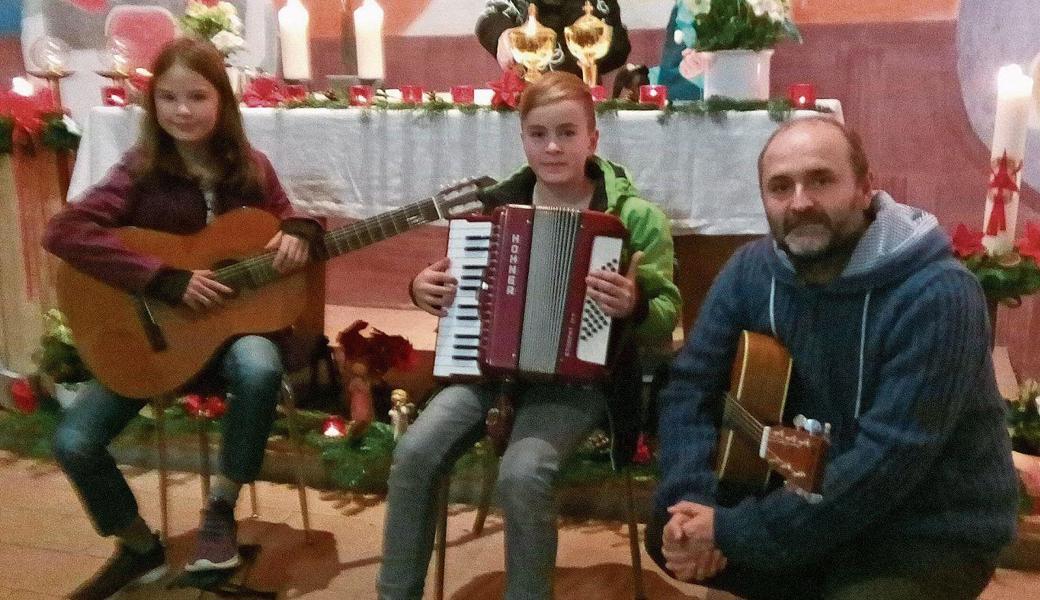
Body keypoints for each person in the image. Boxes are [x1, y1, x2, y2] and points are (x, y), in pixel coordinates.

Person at [647, 116, 1019, 600]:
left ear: (865, 188)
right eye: (780, 187)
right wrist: (693, 502)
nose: (800, 202)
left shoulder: (939, 294)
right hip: (796, 498)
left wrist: (733, 532)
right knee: (669, 529)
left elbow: (887, 462)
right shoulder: (751, 272)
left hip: (922, 527)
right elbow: (690, 388)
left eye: (821, 180)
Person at [377, 71, 680, 600]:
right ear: (522, 139)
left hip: (583, 381)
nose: (553, 146)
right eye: (538, 134)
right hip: (487, 369)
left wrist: (632, 306)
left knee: (522, 474)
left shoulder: (634, 218)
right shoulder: (495, 209)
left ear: (593, 138)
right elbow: (452, 283)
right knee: (415, 453)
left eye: (567, 132)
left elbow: (667, 311)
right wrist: (423, 287)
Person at [43, 37, 320, 600]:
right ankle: (137, 543)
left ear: (222, 102)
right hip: (157, 341)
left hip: (234, 334)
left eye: (197, 96)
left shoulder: (252, 168)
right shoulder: (138, 172)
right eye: (169, 98)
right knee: (73, 440)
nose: (184, 111)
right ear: (153, 106)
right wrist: (164, 279)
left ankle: (220, 510)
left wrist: (301, 229)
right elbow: (63, 231)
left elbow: (286, 217)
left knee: (261, 367)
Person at [476, 0, 631, 81]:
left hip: (581, 96)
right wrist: (503, 36)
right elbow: (490, 17)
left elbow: (619, 46)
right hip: (528, 98)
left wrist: (591, 54)